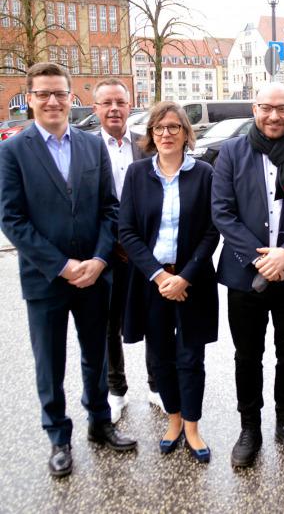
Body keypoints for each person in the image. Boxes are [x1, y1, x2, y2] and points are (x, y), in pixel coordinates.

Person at [0, 63, 136, 478]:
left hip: (95, 275)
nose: (53, 101)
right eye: (44, 94)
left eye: (60, 93)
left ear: (70, 97)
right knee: (50, 362)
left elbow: (110, 209)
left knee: (95, 355)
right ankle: (58, 436)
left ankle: (99, 422)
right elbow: (12, 218)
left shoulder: (91, 145)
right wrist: (61, 266)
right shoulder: (13, 151)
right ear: (31, 99)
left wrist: (97, 260)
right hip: (46, 280)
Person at [212, 83, 284, 468]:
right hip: (244, 277)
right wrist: (260, 259)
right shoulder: (230, 153)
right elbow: (223, 212)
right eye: (266, 108)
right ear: (255, 108)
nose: (274, 115)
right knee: (247, 356)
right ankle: (249, 428)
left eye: (282, 108)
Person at [119, 101, 218, 463]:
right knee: (160, 354)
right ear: (150, 135)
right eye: (159, 128)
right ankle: (173, 420)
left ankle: (192, 425)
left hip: (192, 278)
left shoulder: (204, 174)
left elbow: (212, 231)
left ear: (186, 133)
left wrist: (184, 276)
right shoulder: (136, 173)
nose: (166, 134)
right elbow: (127, 231)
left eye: (174, 127)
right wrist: (160, 275)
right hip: (151, 279)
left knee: (191, 355)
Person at [92, 78, 161, 422]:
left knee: (151, 317)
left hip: (144, 251)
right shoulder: (86, 149)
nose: (114, 109)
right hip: (105, 253)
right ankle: (116, 389)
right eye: (107, 103)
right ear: (97, 109)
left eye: (120, 102)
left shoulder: (146, 146)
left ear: (130, 105)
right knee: (109, 324)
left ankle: (156, 384)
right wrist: (113, 242)